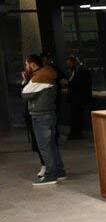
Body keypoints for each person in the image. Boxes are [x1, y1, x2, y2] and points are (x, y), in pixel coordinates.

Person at [21, 54, 65, 186]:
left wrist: (25, 80)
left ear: (32, 64)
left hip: (40, 116)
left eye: (26, 64)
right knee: (51, 145)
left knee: (45, 147)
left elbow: (24, 94)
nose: (25, 67)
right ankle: (60, 172)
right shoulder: (47, 74)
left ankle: (51, 175)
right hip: (49, 114)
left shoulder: (39, 77)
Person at [64, 56, 93, 139]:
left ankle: (76, 133)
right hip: (75, 98)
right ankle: (75, 133)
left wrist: (68, 83)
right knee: (75, 116)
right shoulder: (74, 71)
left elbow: (80, 84)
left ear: (74, 62)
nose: (68, 66)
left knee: (77, 116)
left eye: (69, 64)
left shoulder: (82, 71)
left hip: (79, 98)